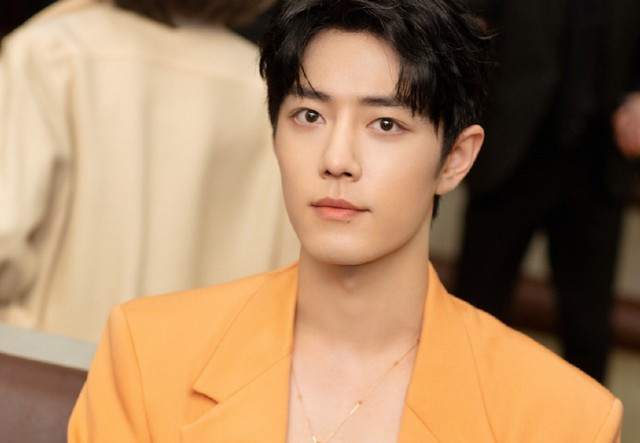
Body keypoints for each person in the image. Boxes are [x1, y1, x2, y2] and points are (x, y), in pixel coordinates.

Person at [68, 0, 622, 441]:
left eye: (385, 124)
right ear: (274, 133)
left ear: (455, 159)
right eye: (309, 115)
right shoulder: (148, 353)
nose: (337, 159)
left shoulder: (565, 418)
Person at [0, 0, 298, 341]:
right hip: (205, 367)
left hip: (50, 361)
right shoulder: (270, 90)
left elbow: (5, 236)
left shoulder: (51, 54)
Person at [455, 0, 640, 383]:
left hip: (598, 166)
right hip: (510, 154)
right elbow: (465, 22)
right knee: (474, 314)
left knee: (588, 330)